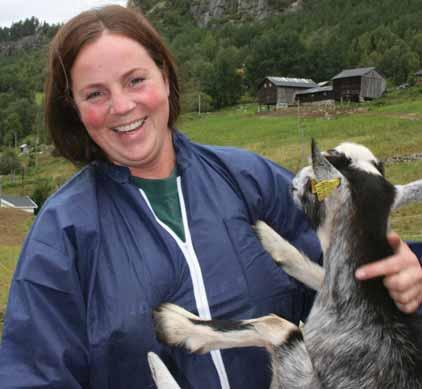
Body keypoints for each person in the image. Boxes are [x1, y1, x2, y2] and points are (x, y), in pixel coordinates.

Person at [0, 5, 421, 389]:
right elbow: (34, 375)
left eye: (135, 80)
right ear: (74, 107)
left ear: (164, 77)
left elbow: (344, 266)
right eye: (95, 93)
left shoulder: (250, 179)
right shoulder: (61, 234)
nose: (122, 105)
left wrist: (404, 274)